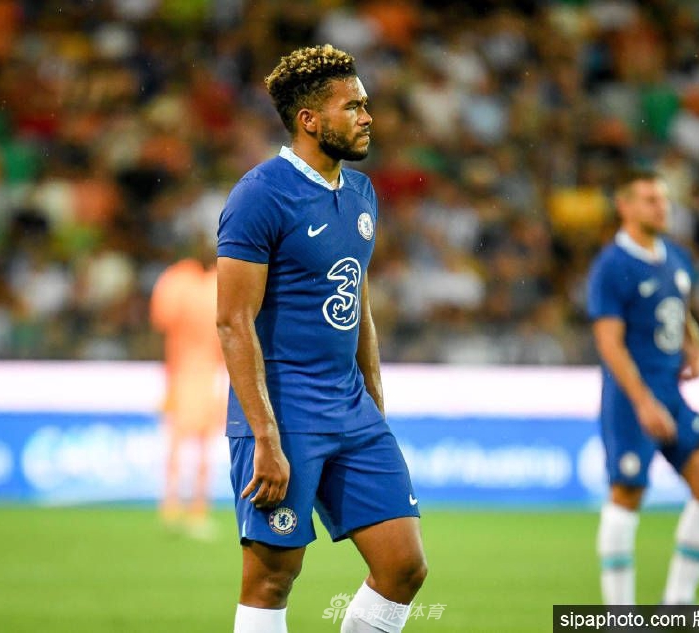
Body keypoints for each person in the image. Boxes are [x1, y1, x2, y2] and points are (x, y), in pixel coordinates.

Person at [215, 44, 426, 633]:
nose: (367, 117)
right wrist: (263, 434)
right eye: (352, 106)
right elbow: (233, 322)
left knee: (404, 567)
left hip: (352, 409)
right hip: (285, 412)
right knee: (271, 580)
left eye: (366, 104)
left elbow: (357, 302)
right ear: (310, 120)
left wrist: (375, 403)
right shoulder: (260, 195)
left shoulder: (361, 193)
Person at [586, 168, 699, 605]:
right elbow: (609, 343)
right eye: (650, 199)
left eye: (664, 199)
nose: (661, 207)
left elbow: (679, 308)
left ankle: (678, 603)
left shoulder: (676, 257)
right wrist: (644, 403)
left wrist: (695, 346)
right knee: (627, 494)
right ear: (624, 206)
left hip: (671, 393)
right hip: (631, 399)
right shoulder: (613, 265)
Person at [149, 236, 227, 540]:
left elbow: (161, 320)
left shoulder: (177, 281)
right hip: (208, 374)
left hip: (183, 372)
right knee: (202, 446)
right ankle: (196, 508)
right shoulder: (216, 284)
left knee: (178, 443)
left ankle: (172, 506)